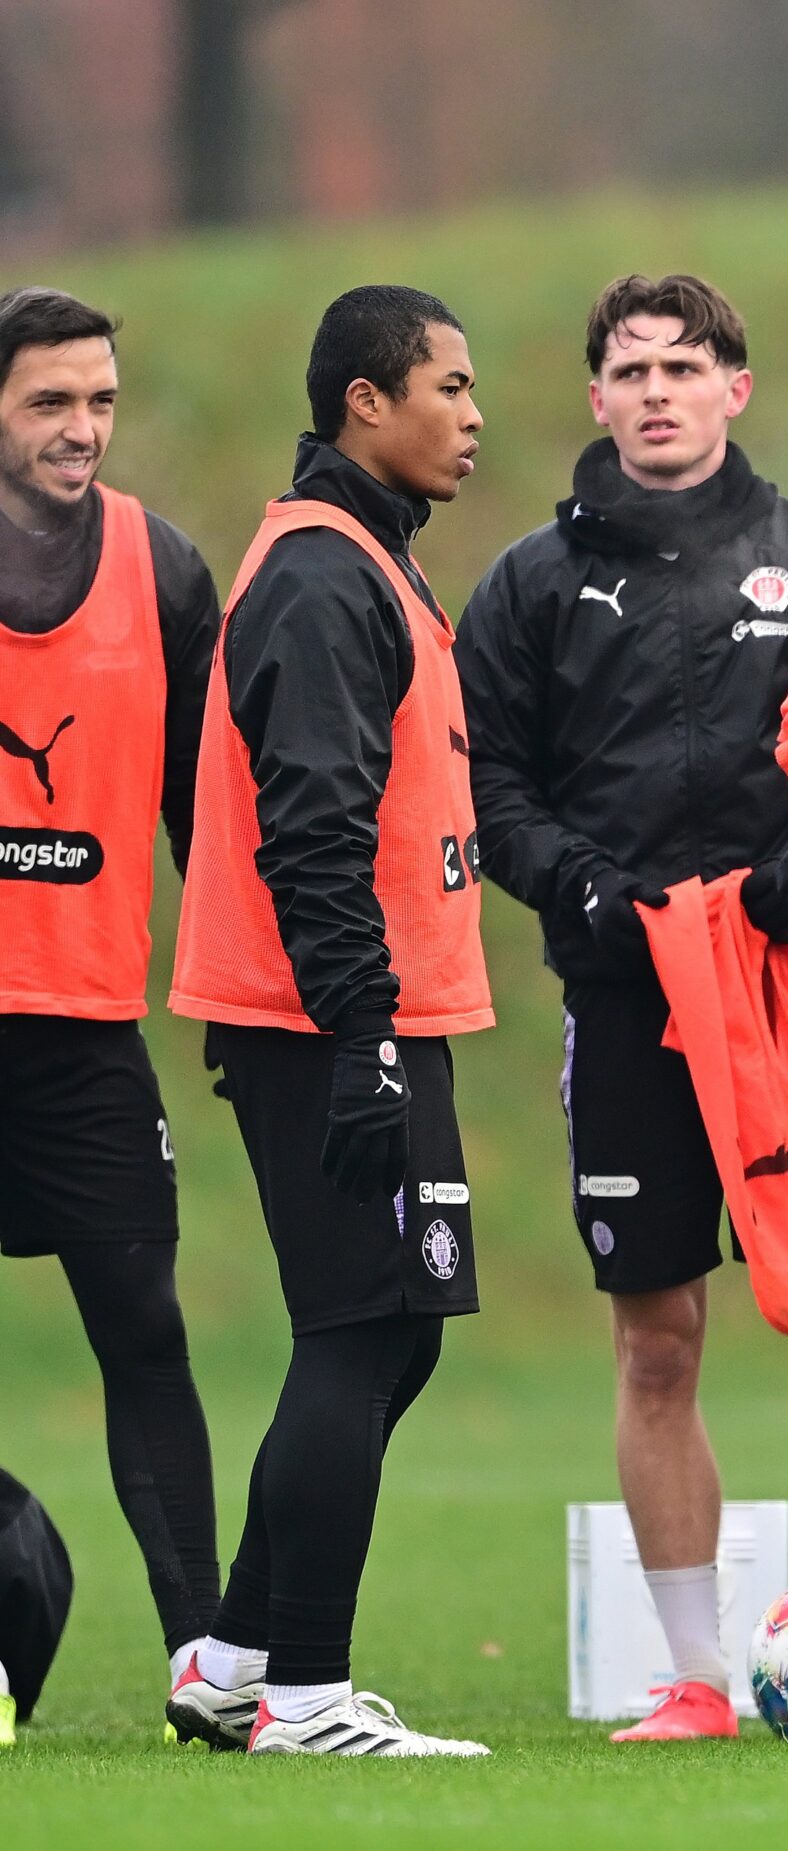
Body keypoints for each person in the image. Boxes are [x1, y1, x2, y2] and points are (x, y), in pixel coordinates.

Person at [455, 273, 788, 1743]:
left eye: (685, 365)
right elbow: (487, 786)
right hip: (632, 1002)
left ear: (738, 390)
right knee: (658, 1335)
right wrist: (573, 886)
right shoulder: (529, 583)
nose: (657, 390)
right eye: (630, 368)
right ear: (595, 397)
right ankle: (698, 1678)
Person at [164, 285, 496, 1758]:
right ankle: (305, 1694)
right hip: (325, 1021)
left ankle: (235, 1658)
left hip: (369, 1013)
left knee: (395, 1334)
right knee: (359, 1331)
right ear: (366, 400)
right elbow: (314, 825)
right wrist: (361, 1031)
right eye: (448, 384)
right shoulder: (318, 571)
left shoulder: (371, 559)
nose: (473, 413)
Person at [0, 286, 224, 1721]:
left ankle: (206, 1659)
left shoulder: (166, 568)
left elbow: (209, 815)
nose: (81, 428)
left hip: (86, 1032)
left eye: (98, 400)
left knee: (144, 1325)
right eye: (47, 404)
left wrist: (241, 1006)